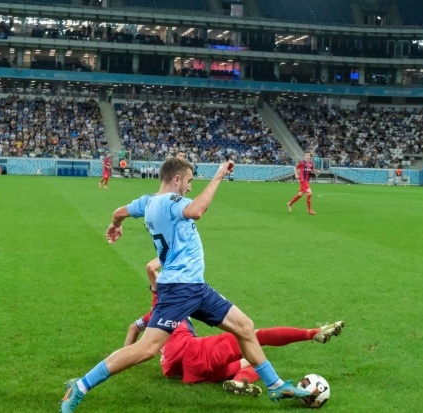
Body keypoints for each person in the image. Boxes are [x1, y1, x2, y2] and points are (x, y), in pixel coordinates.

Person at [61, 158, 312, 413]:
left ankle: (276, 385)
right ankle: (80, 386)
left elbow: (118, 212)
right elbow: (197, 211)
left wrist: (116, 225)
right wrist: (218, 175)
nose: (190, 187)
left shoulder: (147, 202)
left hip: (196, 287)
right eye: (189, 181)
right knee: (147, 349)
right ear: (177, 179)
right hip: (179, 289)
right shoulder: (170, 202)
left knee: (245, 327)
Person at [124, 266, 345, 396]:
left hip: (189, 374)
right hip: (196, 353)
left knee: (254, 361)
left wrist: (128, 355)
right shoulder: (165, 300)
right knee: (254, 336)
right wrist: (174, 255)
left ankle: (239, 382)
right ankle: (312, 333)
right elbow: (151, 270)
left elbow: (133, 327)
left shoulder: (153, 314)